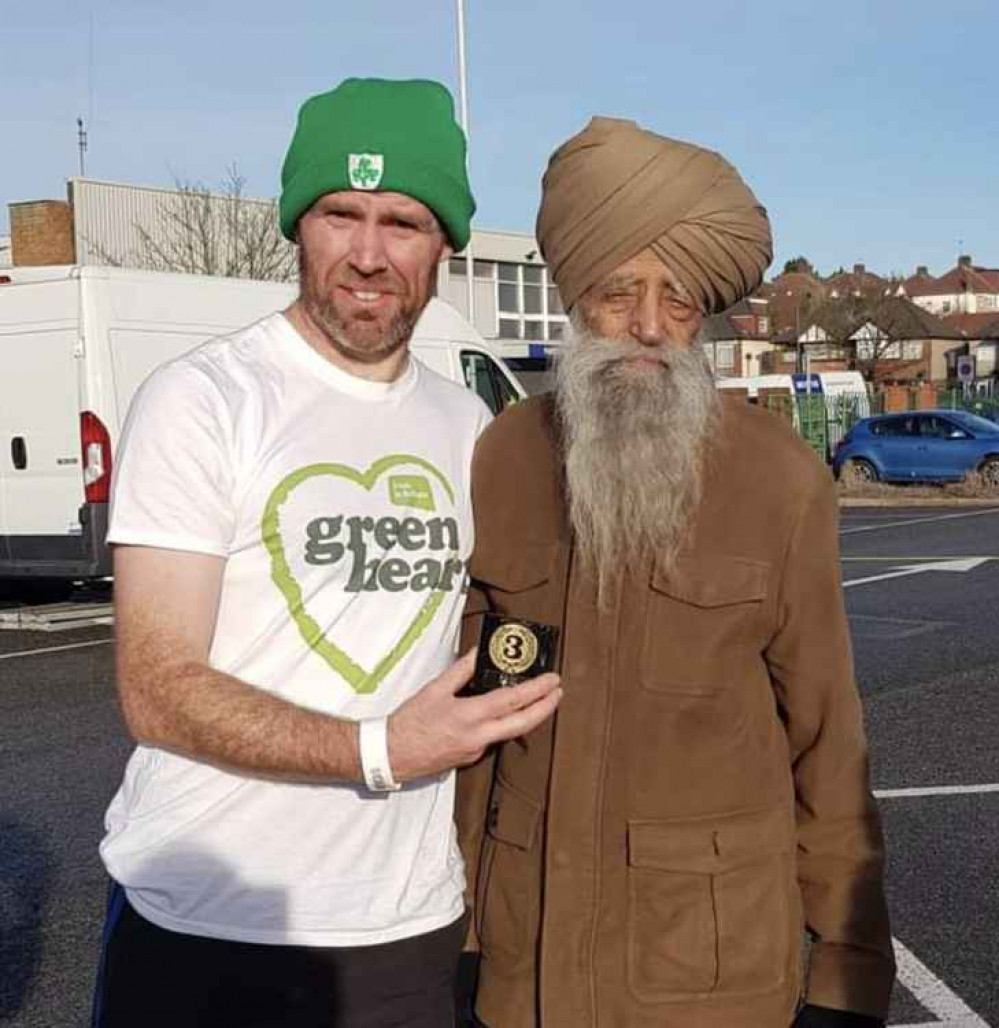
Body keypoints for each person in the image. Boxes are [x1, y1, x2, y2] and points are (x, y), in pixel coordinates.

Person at [90, 77, 561, 1028]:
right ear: (297, 227)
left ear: (445, 246)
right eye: (338, 214)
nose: (367, 254)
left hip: (407, 929)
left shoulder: (466, 421)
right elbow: (157, 685)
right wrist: (381, 750)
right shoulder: (206, 399)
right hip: (209, 924)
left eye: (403, 221)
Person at [457, 117, 895, 1028]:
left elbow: (827, 736)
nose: (650, 326)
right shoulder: (502, 458)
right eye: (620, 294)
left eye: (680, 299)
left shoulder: (776, 477)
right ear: (576, 294)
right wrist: (455, 943)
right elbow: (472, 736)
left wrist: (846, 970)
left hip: (705, 973)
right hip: (519, 964)